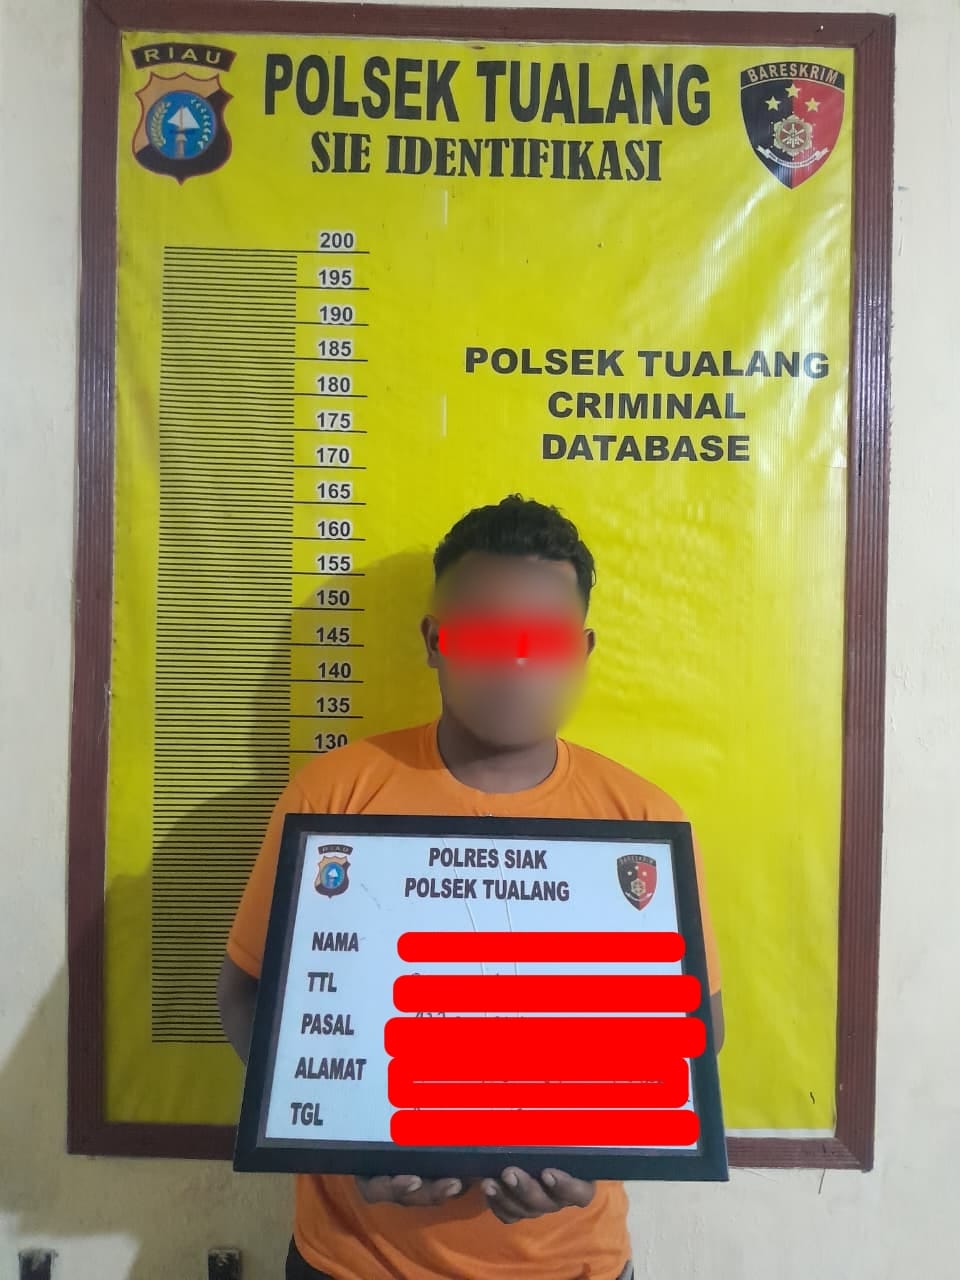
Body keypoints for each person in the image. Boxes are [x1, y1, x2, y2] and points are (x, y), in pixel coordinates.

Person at [218, 494, 723, 1280]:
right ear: (434, 641)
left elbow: (694, 1033)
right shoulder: (335, 795)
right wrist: (338, 1133)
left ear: (582, 650)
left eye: (544, 640)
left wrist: (597, 1149)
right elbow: (247, 996)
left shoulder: (641, 822)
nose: (514, 664)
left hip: (569, 1264)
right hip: (355, 1262)